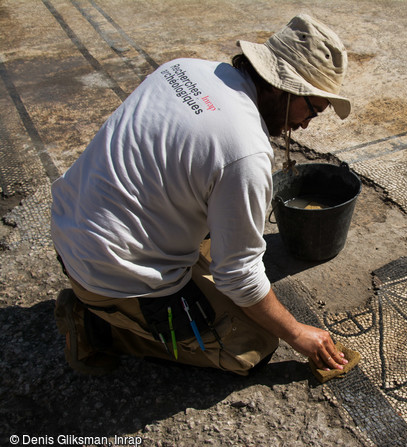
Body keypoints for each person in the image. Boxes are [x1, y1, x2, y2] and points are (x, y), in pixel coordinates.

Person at [51, 14, 351, 376]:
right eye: (313, 110)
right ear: (283, 87)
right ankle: (98, 327)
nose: (306, 124)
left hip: (71, 224)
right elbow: (239, 275)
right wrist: (298, 333)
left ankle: (108, 304)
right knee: (254, 343)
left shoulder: (185, 68)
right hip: (108, 270)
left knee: (231, 261)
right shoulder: (245, 150)